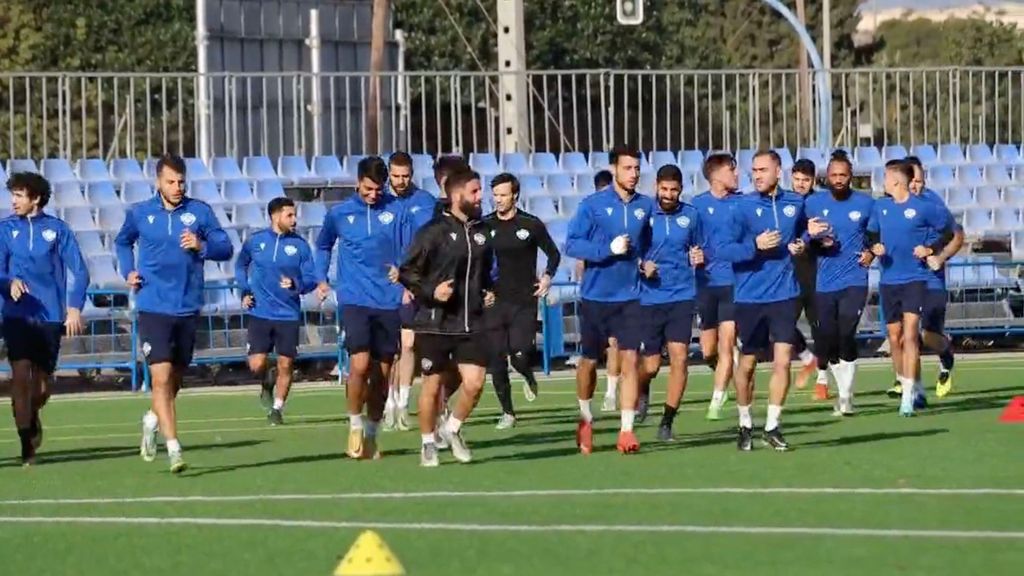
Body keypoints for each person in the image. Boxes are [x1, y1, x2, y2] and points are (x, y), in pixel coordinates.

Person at [115, 154, 234, 473]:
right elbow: (123, 242)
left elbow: (226, 247)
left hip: (187, 305)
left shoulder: (200, 212)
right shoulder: (141, 213)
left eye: (181, 181)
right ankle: (174, 449)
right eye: (171, 181)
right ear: (158, 182)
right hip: (153, 306)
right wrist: (128, 271)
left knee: (175, 381)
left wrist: (202, 246)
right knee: (161, 377)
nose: (177, 187)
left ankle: (152, 420)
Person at [719, 150, 827, 451]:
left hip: (785, 294)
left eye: (763, 170)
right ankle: (744, 423)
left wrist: (803, 243)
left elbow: (807, 233)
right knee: (749, 364)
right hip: (750, 297)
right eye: (753, 170)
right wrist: (754, 245)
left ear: (778, 172)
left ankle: (772, 426)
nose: (757, 175)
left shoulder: (796, 203)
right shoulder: (741, 206)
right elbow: (724, 250)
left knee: (783, 362)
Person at [398, 167, 495, 466]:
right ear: (456, 195)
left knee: (475, 383)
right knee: (432, 385)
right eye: (475, 191)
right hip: (435, 323)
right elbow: (407, 272)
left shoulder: (482, 232)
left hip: (471, 321)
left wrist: (488, 291)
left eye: (481, 191)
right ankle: (428, 443)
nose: (481, 197)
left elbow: (485, 272)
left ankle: (451, 428)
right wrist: (431, 290)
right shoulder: (433, 231)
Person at [316, 156, 409, 460]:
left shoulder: (396, 211)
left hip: (388, 300)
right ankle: (354, 423)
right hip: (354, 298)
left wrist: (405, 274)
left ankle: (372, 433)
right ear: (358, 182)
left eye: (378, 189)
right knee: (358, 364)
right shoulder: (340, 214)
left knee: (382, 374)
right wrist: (321, 278)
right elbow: (323, 245)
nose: (373, 194)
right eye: (368, 188)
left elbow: (413, 249)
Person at [565, 145, 654, 455]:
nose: (634, 174)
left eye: (637, 169)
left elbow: (646, 245)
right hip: (595, 297)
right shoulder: (593, 206)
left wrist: (645, 262)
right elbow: (572, 244)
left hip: (631, 297)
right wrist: (606, 251)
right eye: (628, 168)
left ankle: (626, 432)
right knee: (589, 363)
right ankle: (586, 418)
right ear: (615, 169)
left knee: (630, 359)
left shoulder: (646, 206)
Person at [0, 172, 89, 465]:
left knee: (40, 387)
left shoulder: (58, 230)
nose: (13, 201)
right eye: (12, 195)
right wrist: (8, 282)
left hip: (50, 317)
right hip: (17, 317)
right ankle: (26, 443)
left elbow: (80, 271)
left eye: (19, 196)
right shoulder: (5, 230)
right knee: (20, 379)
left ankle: (33, 416)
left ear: (35, 199)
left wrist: (74, 307)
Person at [866, 160, 952, 416]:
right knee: (895, 337)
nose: (882, 183)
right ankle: (908, 384)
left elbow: (948, 232)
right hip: (888, 281)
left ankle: (908, 398)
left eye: (885, 178)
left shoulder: (924, 208)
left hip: (915, 279)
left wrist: (930, 249)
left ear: (896, 182)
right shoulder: (880, 207)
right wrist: (874, 247)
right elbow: (870, 234)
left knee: (912, 333)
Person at [482, 172, 561, 429]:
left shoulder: (530, 225)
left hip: (524, 301)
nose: (498, 200)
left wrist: (547, 276)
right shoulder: (484, 225)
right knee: (495, 359)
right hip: (494, 301)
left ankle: (527, 374)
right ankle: (508, 413)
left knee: (518, 355)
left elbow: (553, 254)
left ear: (515, 195)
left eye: (503, 195)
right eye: (495, 195)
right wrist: (481, 290)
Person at [802, 153, 876, 416]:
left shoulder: (866, 204)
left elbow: (877, 237)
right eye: (833, 175)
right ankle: (840, 388)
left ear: (851, 175)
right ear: (827, 177)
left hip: (854, 279)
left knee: (847, 333)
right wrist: (814, 240)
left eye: (843, 175)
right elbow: (801, 236)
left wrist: (872, 253)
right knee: (829, 339)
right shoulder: (813, 203)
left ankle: (846, 396)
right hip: (824, 283)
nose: (838, 180)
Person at [235, 197, 318, 425]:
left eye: (294, 215)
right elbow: (240, 264)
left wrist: (296, 285)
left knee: (286, 363)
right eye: (289, 215)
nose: (294, 219)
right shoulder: (256, 241)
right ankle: (265, 383)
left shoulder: (300, 246)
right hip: (260, 312)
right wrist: (244, 291)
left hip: (288, 314)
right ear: (275, 216)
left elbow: (311, 278)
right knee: (257, 364)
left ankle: (277, 409)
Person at [637, 165, 704, 442]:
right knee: (651, 366)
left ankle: (667, 421)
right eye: (663, 189)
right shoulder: (644, 214)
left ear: (680, 190)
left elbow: (700, 248)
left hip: (681, 296)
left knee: (680, 359)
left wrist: (699, 257)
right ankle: (642, 388)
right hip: (650, 298)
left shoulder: (691, 215)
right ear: (656, 187)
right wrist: (642, 264)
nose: (668, 194)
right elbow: (629, 250)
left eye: (673, 190)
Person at [384, 151, 439, 431]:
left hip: (414, 284)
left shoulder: (426, 202)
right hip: (384, 285)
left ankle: (403, 403)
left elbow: (432, 244)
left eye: (406, 176)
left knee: (407, 345)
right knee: (388, 350)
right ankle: (388, 401)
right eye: (396, 176)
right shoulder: (380, 202)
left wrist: (415, 282)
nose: (401, 181)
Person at [900, 156, 962, 399]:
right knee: (907, 334)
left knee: (928, 334)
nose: (916, 186)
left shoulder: (933, 202)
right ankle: (914, 390)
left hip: (931, 279)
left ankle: (946, 354)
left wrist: (939, 255)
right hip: (904, 279)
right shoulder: (892, 204)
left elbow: (955, 236)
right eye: (912, 181)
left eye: (920, 181)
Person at [690, 153, 741, 421]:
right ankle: (726, 371)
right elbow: (688, 241)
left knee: (727, 344)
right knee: (709, 350)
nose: (737, 174)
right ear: (716, 175)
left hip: (733, 283)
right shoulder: (696, 206)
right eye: (732, 170)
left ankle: (717, 399)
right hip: (706, 284)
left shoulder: (742, 203)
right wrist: (692, 254)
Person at [789, 158, 831, 399]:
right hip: (790, 274)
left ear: (813, 180)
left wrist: (820, 239)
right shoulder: (784, 201)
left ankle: (823, 380)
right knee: (783, 324)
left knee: (820, 328)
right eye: (797, 179)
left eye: (805, 180)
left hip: (817, 273)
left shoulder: (820, 203)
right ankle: (807, 358)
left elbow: (828, 234)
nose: (801, 184)